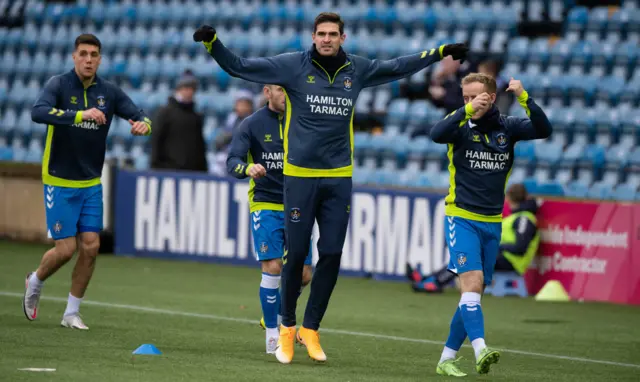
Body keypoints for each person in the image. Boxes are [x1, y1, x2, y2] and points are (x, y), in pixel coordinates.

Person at [194, 12, 468, 364]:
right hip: (299, 177)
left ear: (343, 37)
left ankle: (311, 328)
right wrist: (213, 44)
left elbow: (398, 66)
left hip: (338, 178)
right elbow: (239, 66)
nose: (326, 39)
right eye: (321, 33)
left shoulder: (357, 69)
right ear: (313, 36)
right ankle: (288, 329)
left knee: (333, 254)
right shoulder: (292, 66)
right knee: (294, 258)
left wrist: (439, 51)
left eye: (332, 34)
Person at [23, 34, 151, 330]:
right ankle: (36, 280)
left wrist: (144, 125)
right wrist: (79, 114)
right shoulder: (58, 85)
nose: (89, 59)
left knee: (91, 247)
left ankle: (71, 312)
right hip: (59, 179)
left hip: (91, 181)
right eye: (83, 53)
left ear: (100, 59)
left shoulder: (109, 92)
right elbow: (37, 112)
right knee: (66, 250)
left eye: (94, 54)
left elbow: (140, 115)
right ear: (74, 57)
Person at [429, 73, 551, 376]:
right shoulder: (459, 126)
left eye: (477, 97)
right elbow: (435, 133)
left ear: (492, 97)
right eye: (466, 97)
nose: (471, 102)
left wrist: (524, 97)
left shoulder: (507, 128)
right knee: (470, 284)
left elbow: (544, 128)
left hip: (492, 223)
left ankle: (446, 358)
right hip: (461, 217)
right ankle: (481, 348)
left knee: (473, 293)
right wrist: (465, 111)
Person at [226, 84, 313, 354]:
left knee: (305, 273)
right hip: (265, 202)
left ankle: (270, 312)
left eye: (288, 90)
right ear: (267, 92)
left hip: (298, 203)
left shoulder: (303, 119)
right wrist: (248, 167)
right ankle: (273, 334)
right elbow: (232, 161)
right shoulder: (251, 124)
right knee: (273, 266)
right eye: (279, 90)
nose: (285, 95)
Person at [406, 183, 541, 292]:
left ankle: (434, 282)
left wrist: (495, 247)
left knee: (466, 258)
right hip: (501, 256)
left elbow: (520, 248)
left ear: (508, 198)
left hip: (511, 262)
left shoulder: (524, 218)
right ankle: (428, 279)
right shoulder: (517, 217)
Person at [150, 70, 207, 172]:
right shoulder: (165, 112)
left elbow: (200, 146)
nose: (189, 91)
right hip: (168, 169)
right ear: (179, 89)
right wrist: (155, 166)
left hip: (192, 171)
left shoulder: (196, 116)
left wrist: (203, 170)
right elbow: (156, 140)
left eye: (192, 89)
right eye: (186, 88)